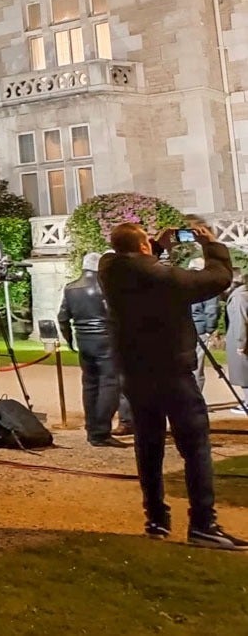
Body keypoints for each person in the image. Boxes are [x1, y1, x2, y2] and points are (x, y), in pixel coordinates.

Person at [99, 222, 245, 549]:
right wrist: (211, 245)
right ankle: (203, 523)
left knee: (148, 445)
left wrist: (157, 246)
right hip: (171, 371)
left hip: (135, 374)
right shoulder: (165, 278)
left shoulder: (109, 270)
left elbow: (132, 260)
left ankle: (156, 518)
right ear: (145, 248)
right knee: (195, 447)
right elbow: (217, 278)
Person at [57, 252, 129, 447]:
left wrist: (70, 339)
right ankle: (101, 431)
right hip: (106, 339)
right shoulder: (107, 287)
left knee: (89, 384)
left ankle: (92, 428)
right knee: (110, 383)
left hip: (84, 340)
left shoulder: (71, 288)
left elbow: (63, 317)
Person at [190, 285, 223, 392]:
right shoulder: (207, 288)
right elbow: (212, 311)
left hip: (182, 329)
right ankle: (195, 403)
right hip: (199, 331)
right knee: (196, 368)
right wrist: (209, 330)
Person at [227, 279, 248, 417]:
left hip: (240, 339)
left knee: (243, 373)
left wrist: (241, 343)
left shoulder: (239, 297)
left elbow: (241, 320)